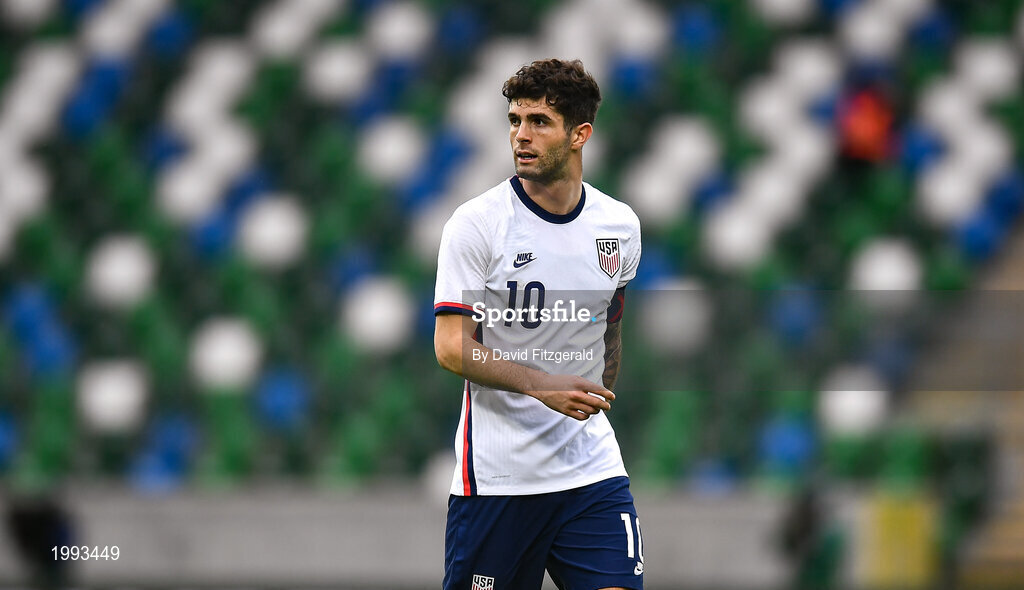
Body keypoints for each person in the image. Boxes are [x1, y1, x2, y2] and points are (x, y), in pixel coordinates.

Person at [433, 58, 644, 590]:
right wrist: (542, 385)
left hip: (590, 471)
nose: (520, 136)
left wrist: (597, 395)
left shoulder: (619, 225)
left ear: (580, 134)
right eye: (514, 120)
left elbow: (610, 324)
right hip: (500, 477)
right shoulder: (477, 225)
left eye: (539, 122)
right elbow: (452, 347)